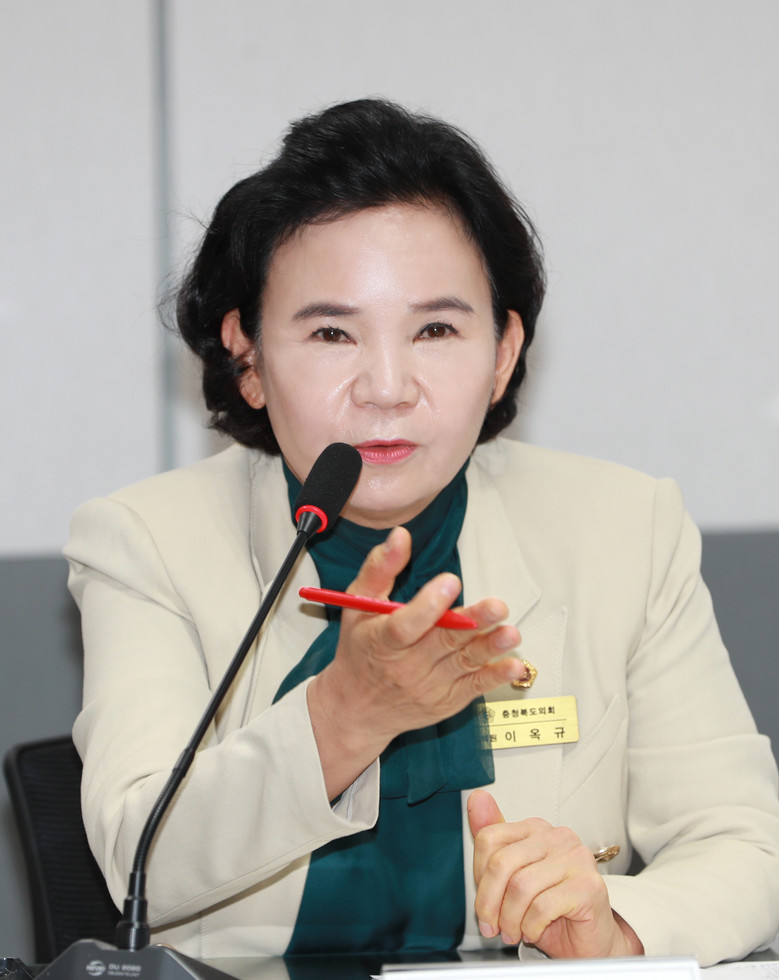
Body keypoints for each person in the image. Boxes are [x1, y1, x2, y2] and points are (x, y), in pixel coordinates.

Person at [65, 98, 779, 967]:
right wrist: (345, 716)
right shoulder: (146, 542)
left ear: (502, 354)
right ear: (247, 358)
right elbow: (139, 859)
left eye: (435, 329)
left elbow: (745, 844)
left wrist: (613, 930)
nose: (387, 387)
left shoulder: (623, 528)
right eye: (331, 332)